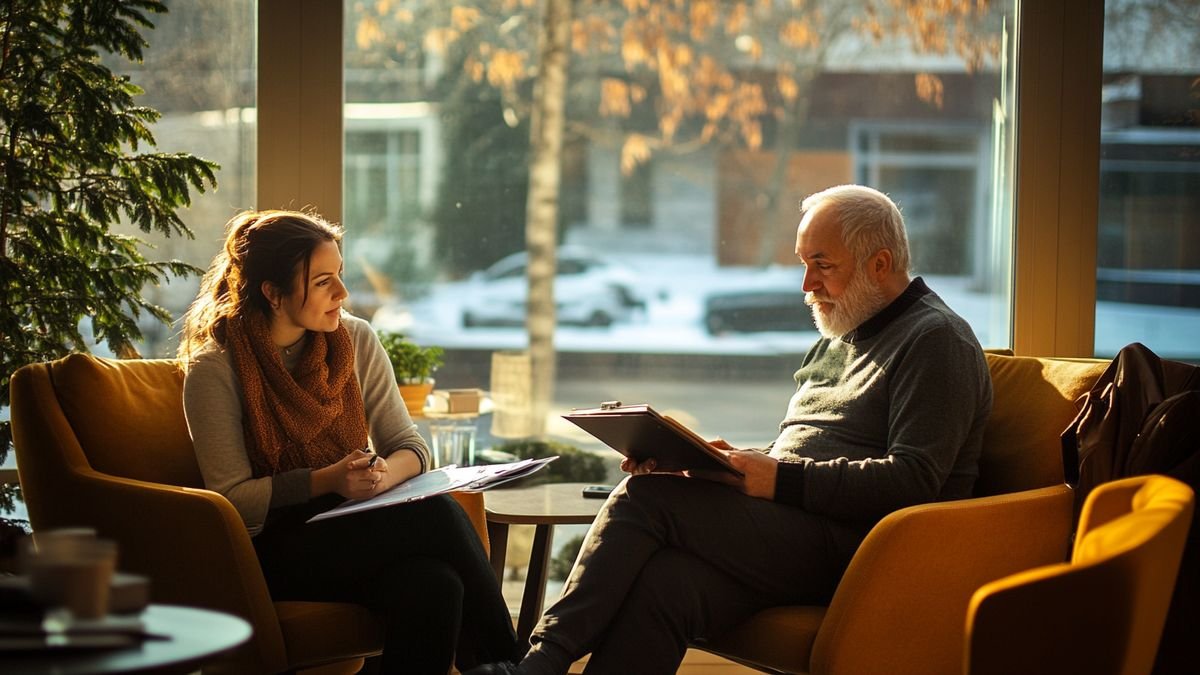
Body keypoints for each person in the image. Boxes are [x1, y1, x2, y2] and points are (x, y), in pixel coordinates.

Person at [466, 184, 993, 675]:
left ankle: (536, 664)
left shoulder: (936, 340)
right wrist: (720, 462)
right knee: (666, 585)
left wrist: (780, 479)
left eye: (822, 265)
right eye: (804, 264)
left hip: (870, 551)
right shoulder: (843, 333)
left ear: (880, 265)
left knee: (646, 496)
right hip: (798, 525)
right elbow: (805, 447)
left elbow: (914, 480)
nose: (807, 285)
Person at [179, 209, 519, 674]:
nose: (343, 292)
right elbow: (231, 500)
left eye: (339, 274)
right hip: (267, 551)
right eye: (322, 282)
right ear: (273, 293)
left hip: (352, 527)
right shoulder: (216, 369)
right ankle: (515, 664)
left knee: (436, 585)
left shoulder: (355, 339)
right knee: (438, 514)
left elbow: (410, 447)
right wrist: (327, 481)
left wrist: (380, 478)